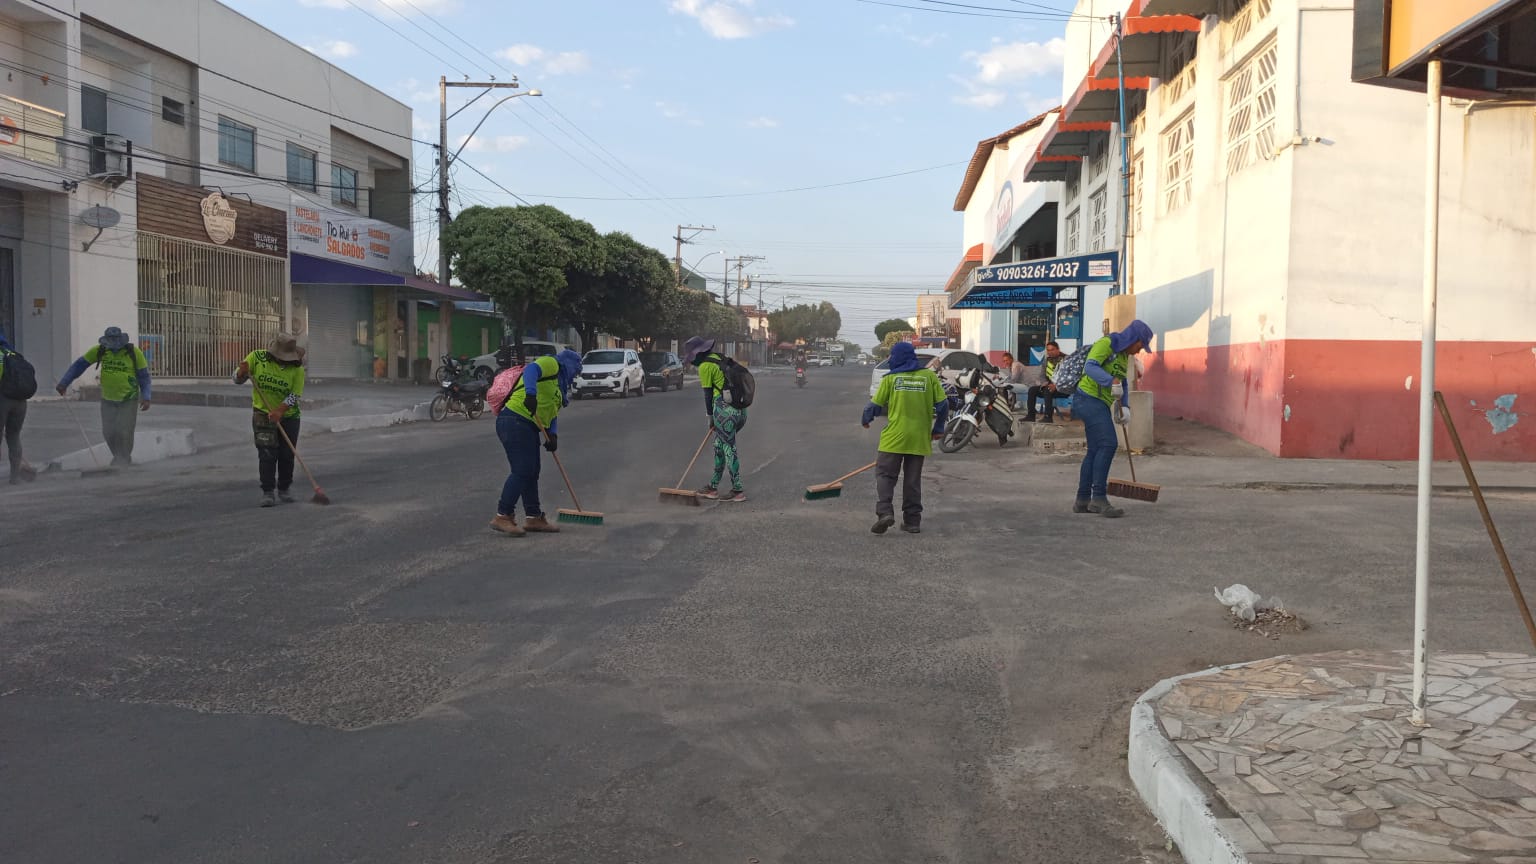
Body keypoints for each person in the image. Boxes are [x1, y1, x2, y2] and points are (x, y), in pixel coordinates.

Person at [491, 348, 582, 536]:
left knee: (532, 472)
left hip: (530, 425)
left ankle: (533, 517)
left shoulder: (560, 386)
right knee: (522, 470)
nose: (576, 374)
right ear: (570, 364)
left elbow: (552, 411)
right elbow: (531, 370)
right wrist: (530, 394)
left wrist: (553, 434)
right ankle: (503, 515)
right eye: (577, 369)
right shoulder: (553, 363)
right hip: (515, 419)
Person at [862, 341, 948, 535]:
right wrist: (938, 428)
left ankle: (885, 512)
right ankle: (912, 522)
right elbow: (943, 405)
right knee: (912, 480)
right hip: (919, 437)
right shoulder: (928, 376)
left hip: (894, 438)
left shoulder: (890, 379)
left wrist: (866, 419)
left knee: (885, 475)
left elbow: (874, 406)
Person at [1073, 320, 1154, 518]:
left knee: (1095, 450)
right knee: (1108, 444)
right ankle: (1098, 498)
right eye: (1139, 345)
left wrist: (1125, 406)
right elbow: (1090, 367)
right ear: (1133, 339)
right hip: (1087, 399)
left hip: (1099, 402)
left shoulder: (1123, 355)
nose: (1138, 350)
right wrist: (1110, 381)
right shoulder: (1107, 344)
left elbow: (1123, 383)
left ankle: (1083, 499)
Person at [56, 326, 152, 466]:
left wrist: (146, 396)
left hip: (128, 399)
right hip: (107, 398)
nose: (114, 347)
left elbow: (144, 377)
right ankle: (118, 456)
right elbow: (79, 365)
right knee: (108, 432)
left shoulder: (134, 353)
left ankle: (123, 458)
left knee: (124, 430)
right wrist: (64, 383)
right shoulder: (100, 350)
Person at [233, 334, 306, 508]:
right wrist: (241, 372)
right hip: (262, 413)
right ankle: (268, 491)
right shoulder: (257, 358)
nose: (283, 361)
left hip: (289, 416)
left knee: (287, 455)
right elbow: (237, 379)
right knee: (267, 453)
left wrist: (280, 410)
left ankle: (284, 488)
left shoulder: (297, 369)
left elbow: (294, 395)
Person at [684, 336, 747, 502]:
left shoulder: (705, 366)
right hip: (740, 411)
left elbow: (708, 394)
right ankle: (712, 487)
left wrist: (710, 417)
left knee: (728, 447)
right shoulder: (720, 358)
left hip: (724, 411)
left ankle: (738, 490)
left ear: (697, 354)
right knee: (719, 446)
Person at [0, 331, 33, 484]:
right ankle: (14, 477)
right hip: (20, 402)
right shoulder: (14, 354)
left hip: (3, 400)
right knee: (13, 436)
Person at [1024, 341, 1065, 423]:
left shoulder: (1066, 360)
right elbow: (1042, 375)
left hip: (1062, 389)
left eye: (1052, 350)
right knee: (1032, 390)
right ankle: (1031, 415)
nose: (1050, 352)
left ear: (1058, 349)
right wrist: (1044, 383)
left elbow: (1067, 377)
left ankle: (1048, 417)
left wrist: (1056, 385)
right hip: (1048, 387)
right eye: (1048, 350)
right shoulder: (1047, 360)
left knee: (1047, 390)